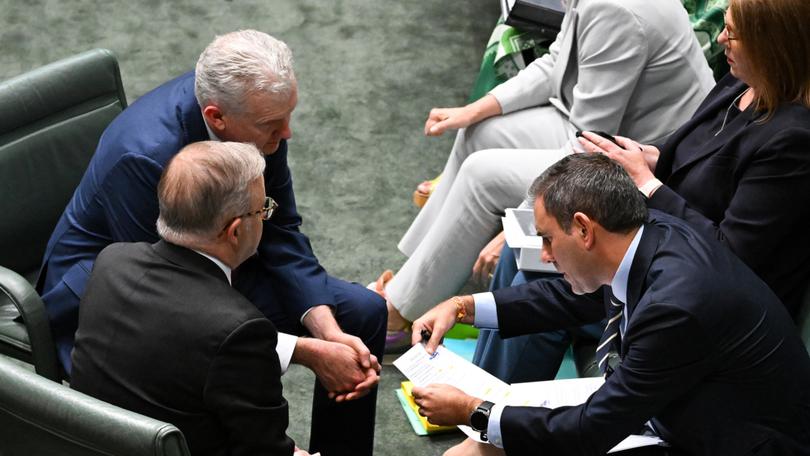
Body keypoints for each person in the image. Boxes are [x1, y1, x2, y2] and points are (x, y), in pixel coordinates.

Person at [37, 30, 384, 456]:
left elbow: (280, 226)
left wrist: (327, 332)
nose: (287, 134)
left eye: (288, 116)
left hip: (213, 258)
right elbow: (171, 303)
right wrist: (307, 352)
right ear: (217, 118)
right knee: (226, 373)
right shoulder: (144, 156)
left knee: (360, 314)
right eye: (273, 126)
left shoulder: (257, 115)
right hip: (118, 291)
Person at [475, 0, 810, 382]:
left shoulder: (794, 140)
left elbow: (730, 256)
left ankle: (489, 422)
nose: (720, 39)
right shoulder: (741, 82)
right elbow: (695, 153)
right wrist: (648, 157)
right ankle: (477, 394)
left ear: (773, 44)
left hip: (702, 302)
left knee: (539, 276)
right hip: (665, 247)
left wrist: (648, 183)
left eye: (732, 34)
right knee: (527, 252)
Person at [411, 154, 810, 456]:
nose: (545, 255)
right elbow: (570, 297)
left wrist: (472, 410)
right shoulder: (649, 232)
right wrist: (463, 306)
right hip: (680, 410)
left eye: (548, 239)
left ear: (584, 229)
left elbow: (591, 430)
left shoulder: (676, 307)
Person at [374, 0, 715, 350]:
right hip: (604, 128)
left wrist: (521, 225)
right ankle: (415, 278)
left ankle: (399, 312)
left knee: (482, 175)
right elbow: (556, 63)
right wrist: (472, 111)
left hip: (636, 159)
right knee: (479, 131)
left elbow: (588, 145)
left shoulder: (614, 11)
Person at [72, 142, 310, 456]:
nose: (265, 215)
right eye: (262, 209)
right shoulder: (241, 330)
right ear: (235, 232)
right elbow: (265, 449)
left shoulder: (111, 261)